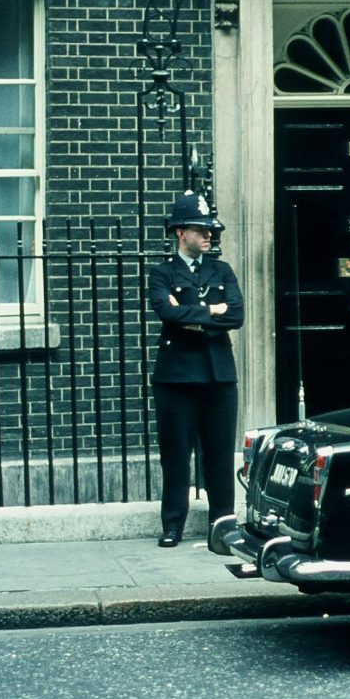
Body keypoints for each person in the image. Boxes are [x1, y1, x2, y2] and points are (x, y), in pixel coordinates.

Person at [148, 189, 244, 548]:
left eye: (211, 231)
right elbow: (167, 314)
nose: (209, 236)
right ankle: (173, 524)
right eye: (200, 230)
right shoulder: (161, 273)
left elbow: (237, 314)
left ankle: (223, 524)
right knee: (176, 454)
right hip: (176, 379)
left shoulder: (222, 270)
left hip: (219, 376)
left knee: (219, 453)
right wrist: (211, 312)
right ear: (180, 233)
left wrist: (196, 315)